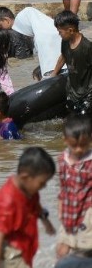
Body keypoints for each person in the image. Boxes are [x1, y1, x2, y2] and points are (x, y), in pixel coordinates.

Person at [0, 147, 56, 268]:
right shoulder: (8, 201)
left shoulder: (29, 188)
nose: (44, 186)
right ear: (25, 177)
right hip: (13, 254)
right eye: (42, 183)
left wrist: (46, 221)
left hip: (25, 245)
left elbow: (36, 204)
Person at [56, 113, 92, 263]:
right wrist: (60, 206)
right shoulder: (62, 160)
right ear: (65, 140)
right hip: (68, 211)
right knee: (61, 249)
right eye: (74, 145)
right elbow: (63, 186)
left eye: (83, 145)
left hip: (88, 213)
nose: (78, 150)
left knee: (85, 249)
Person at [53, 10, 92, 115]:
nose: (59, 34)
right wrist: (54, 73)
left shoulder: (87, 47)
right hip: (72, 91)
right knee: (71, 115)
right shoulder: (65, 41)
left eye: (60, 31)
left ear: (70, 30)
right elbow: (63, 57)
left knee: (84, 120)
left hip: (87, 93)